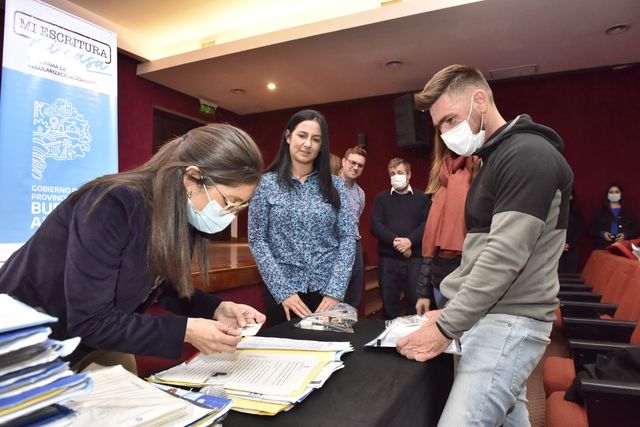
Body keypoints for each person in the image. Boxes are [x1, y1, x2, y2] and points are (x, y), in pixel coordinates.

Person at [0, 124, 267, 369]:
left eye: (239, 206)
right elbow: (91, 319)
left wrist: (216, 308)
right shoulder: (112, 204)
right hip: (25, 340)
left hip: (91, 338)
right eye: (228, 201)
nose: (230, 214)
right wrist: (187, 330)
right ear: (192, 178)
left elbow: (164, 287)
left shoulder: (178, 215)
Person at [397, 64, 573, 426]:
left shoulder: (526, 154)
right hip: (494, 316)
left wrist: (445, 329)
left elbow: (504, 259)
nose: (446, 134)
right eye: (440, 127)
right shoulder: (495, 158)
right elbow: (480, 254)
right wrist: (451, 309)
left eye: (450, 120)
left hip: (510, 322)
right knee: (512, 417)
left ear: (480, 100)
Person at [248, 109, 356, 326]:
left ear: (321, 145)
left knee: (328, 356)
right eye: (302, 135)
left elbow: (347, 238)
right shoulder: (265, 184)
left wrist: (335, 291)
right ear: (288, 137)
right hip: (284, 295)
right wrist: (282, 290)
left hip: (327, 294)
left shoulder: (336, 186)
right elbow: (257, 240)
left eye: (316, 139)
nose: (308, 144)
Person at [415, 137, 475, 313]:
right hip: (439, 282)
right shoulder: (440, 184)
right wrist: (423, 293)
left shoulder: (481, 178)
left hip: (470, 281)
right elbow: (430, 249)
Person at [370, 158, 430, 319]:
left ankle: (414, 341)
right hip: (388, 261)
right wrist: (397, 241)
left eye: (400, 173)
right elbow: (376, 225)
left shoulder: (422, 198)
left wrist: (410, 241)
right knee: (389, 306)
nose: (396, 176)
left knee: (415, 306)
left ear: (409, 175)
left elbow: (427, 224)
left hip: (414, 260)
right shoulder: (381, 199)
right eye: (392, 174)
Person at [339, 146, 367, 308]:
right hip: (335, 245)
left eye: (360, 165)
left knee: (355, 293)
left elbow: (357, 219)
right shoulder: (329, 186)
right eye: (352, 162)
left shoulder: (360, 193)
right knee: (338, 294)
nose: (355, 167)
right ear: (343, 161)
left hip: (355, 244)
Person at [589, 184, 638, 249]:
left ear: (621, 194)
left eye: (616, 192)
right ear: (607, 195)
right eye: (611, 192)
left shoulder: (628, 212)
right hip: (603, 247)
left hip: (624, 247)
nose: (614, 194)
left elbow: (636, 230)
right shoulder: (599, 212)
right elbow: (591, 229)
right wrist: (602, 234)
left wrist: (625, 235)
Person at [558, 188, 582, 273]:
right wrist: (559, 244)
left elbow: (579, 230)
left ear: (571, 196)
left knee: (571, 273)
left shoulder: (576, 212)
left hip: (572, 249)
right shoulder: (554, 212)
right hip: (556, 248)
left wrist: (570, 244)